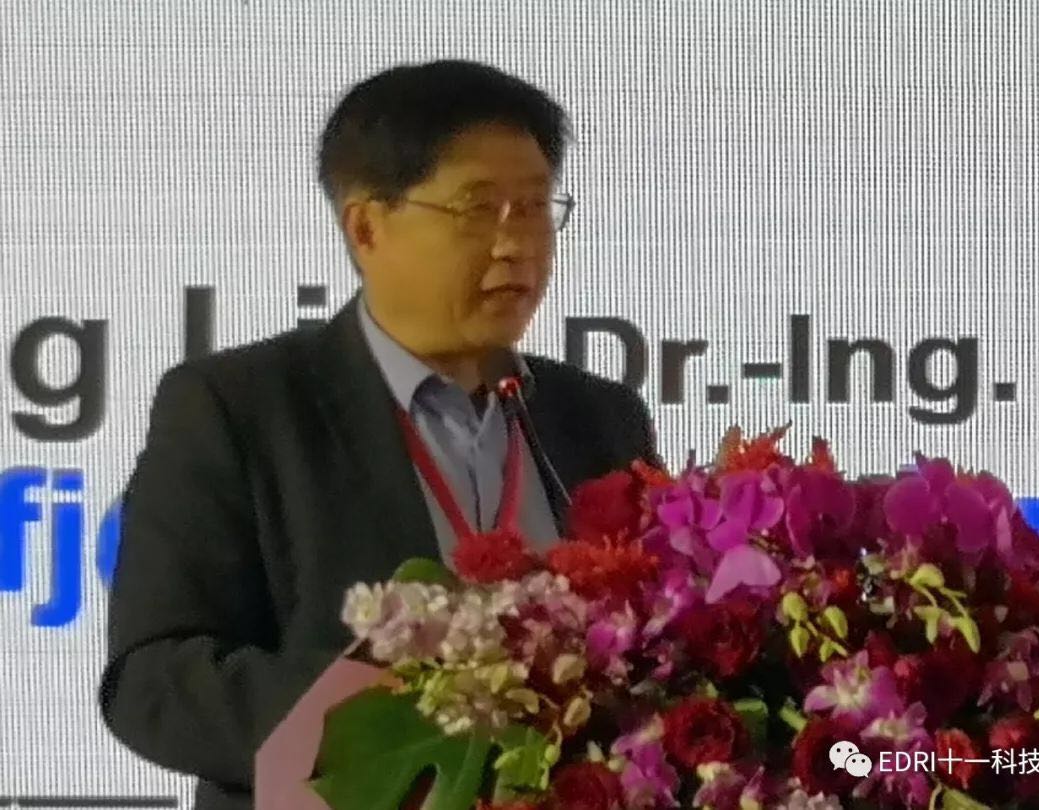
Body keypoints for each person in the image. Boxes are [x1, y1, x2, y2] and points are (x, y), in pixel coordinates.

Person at [98, 59, 660, 810]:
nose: (516, 244)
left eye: (533, 208)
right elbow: (155, 681)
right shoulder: (239, 407)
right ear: (366, 226)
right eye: (478, 209)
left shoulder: (599, 416)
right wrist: (397, 718)